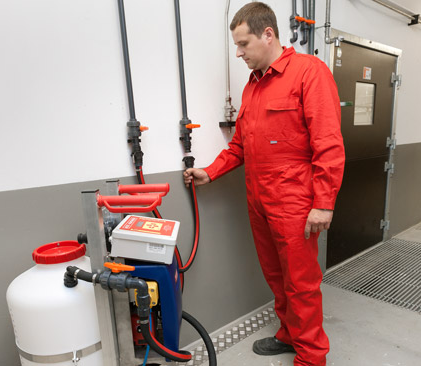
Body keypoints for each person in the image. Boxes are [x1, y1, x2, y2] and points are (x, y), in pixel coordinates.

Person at [183, 2, 344, 365]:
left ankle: (311, 356)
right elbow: (240, 145)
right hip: (259, 199)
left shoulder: (309, 73)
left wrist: (323, 202)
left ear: (268, 34)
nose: (238, 53)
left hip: (296, 203)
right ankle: (290, 334)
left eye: (243, 45)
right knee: (276, 277)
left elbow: (329, 143)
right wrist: (210, 171)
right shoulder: (253, 87)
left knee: (301, 283)